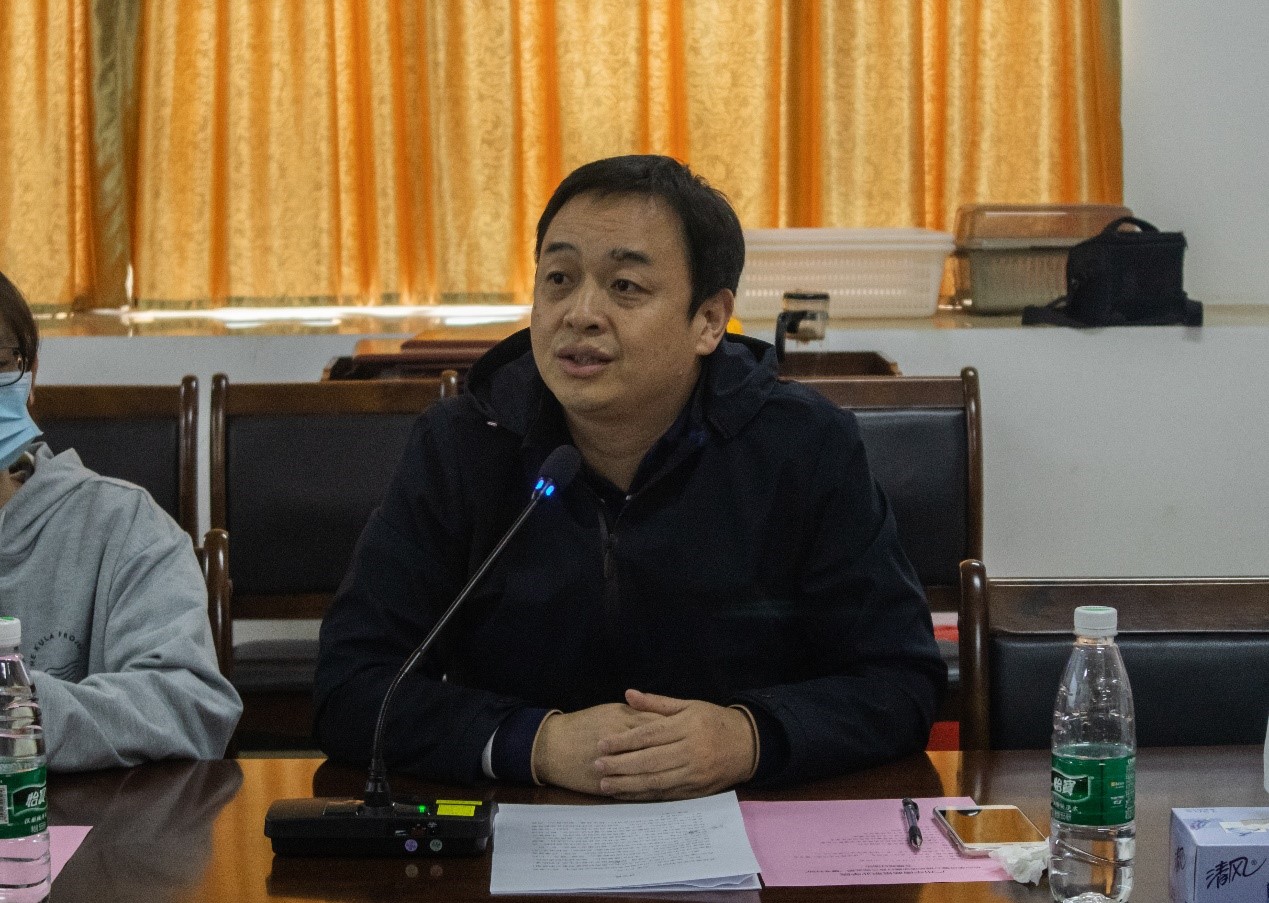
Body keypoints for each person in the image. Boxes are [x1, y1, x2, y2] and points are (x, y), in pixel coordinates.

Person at [315, 155, 945, 799]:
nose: (580, 313)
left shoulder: (804, 446)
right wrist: (535, 743)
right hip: (524, 818)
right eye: (558, 279)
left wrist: (747, 737)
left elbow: (900, 682)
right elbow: (351, 685)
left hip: (748, 814)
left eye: (625, 286)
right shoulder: (464, 445)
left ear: (708, 321)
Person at [0, 270, 241, 771]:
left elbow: (190, 706)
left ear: (29, 377)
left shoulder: (124, 526)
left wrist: (20, 710)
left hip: (73, 818)